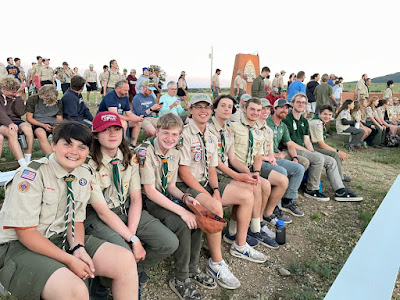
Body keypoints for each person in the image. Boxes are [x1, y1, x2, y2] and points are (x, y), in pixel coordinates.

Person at [0, 121, 139, 300]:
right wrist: (70, 259)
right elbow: (25, 233)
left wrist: (78, 247)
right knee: (75, 290)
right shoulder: (32, 175)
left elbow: (75, 220)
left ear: (89, 151)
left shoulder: (83, 173)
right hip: (19, 247)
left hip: (60, 238)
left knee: (125, 260)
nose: (74, 151)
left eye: (82, 146)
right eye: (67, 144)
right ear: (53, 145)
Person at [85, 111, 178, 292]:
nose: (112, 134)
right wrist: (133, 240)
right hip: (99, 215)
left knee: (169, 242)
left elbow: (136, 199)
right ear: (95, 135)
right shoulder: (88, 164)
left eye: (116, 129)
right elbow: (103, 211)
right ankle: (104, 283)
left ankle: (131, 272)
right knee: (125, 255)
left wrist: (131, 235)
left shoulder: (130, 157)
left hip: (126, 210)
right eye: (106, 130)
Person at [138, 113, 217, 299]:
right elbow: (150, 192)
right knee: (183, 223)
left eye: (175, 135)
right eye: (165, 133)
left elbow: (171, 187)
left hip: (164, 197)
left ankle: (192, 268)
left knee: (197, 216)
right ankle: (180, 278)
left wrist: (186, 198)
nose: (170, 138)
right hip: (146, 202)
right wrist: (182, 211)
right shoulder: (145, 151)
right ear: (156, 132)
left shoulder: (174, 153)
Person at [177, 93, 241, 290]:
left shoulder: (212, 136)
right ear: (191, 110)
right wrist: (206, 194)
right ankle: (216, 262)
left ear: (210, 110)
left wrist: (214, 189)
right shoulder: (185, 134)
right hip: (186, 186)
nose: (203, 110)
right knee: (214, 206)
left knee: (242, 194)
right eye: (198, 106)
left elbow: (212, 168)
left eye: (206, 106)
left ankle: (239, 241)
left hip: (206, 182)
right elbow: (184, 171)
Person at [210, 95, 276, 250]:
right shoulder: (219, 128)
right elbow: (215, 162)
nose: (227, 109)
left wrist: (248, 172)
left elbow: (231, 158)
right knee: (249, 188)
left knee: (254, 183)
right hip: (213, 175)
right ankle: (252, 230)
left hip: (227, 170)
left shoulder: (227, 129)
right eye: (223, 105)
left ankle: (237, 231)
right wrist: (239, 176)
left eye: (229, 106)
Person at [230, 97, 291, 238]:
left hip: (253, 166)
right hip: (236, 168)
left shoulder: (260, 130)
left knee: (276, 182)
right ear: (244, 109)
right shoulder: (233, 127)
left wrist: (256, 171)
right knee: (262, 185)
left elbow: (258, 154)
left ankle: (262, 218)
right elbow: (231, 157)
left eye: (259, 110)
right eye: (252, 109)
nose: (256, 113)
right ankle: (256, 227)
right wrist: (248, 172)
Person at [283, 93, 362, 202]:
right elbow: (289, 142)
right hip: (291, 149)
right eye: (298, 102)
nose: (301, 104)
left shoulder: (304, 121)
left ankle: (340, 190)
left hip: (302, 148)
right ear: (292, 103)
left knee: (331, 161)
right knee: (318, 158)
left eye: (303, 102)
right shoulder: (287, 119)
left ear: (306, 105)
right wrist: (309, 152)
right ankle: (312, 189)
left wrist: (311, 150)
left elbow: (306, 140)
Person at [259, 99, 304, 220]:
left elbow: (289, 143)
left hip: (271, 156)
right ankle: (274, 208)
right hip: (261, 159)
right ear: (275, 109)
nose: (285, 110)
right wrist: (272, 155)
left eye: (286, 108)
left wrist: (294, 157)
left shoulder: (282, 126)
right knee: (281, 171)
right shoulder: (265, 121)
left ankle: (287, 201)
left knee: (299, 168)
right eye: (281, 107)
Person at [309, 105, 351, 183]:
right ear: (319, 113)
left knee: (334, 152)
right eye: (325, 114)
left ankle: (339, 174)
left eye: (330, 115)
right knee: (335, 154)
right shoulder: (317, 123)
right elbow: (321, 144)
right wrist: (338, 151)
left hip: (314, 145)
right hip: (309, 147)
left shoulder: (320, 122)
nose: (327, 117)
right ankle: (339, 178)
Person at [0, 76, 34, 167]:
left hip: (14, 120)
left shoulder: (15, 96)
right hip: (2, 121)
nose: (14, 94)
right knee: (12, 132)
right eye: (12, 92)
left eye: (15, 91)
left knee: (28, 129)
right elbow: (1, 113)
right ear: (3, 89)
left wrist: (18, 97)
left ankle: (28, 160)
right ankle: (22, 164)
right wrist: (9, 123)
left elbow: (20, 112)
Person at [97, 80, 143, 146]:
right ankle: (123, 146)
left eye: (128, 90)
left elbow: (129, 112)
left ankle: (133, 145)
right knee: (123, 123)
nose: (127, 92)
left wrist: (137, 118)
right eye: (125, 90)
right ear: (118, 89)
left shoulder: (124, 97)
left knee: (137, 123)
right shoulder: (110, 96)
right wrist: (132, 119)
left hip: (117, 119)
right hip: (105, 119)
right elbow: (115, 115)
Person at [26, 85, 63, 155]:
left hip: (53, 123)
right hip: (38, 123)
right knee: (41, 134)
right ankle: (51, 158)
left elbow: (59, 118)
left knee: (60, 134)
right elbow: (29, 118)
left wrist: (56, 125)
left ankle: (61, 156)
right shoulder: (33, 99)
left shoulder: (58, 102)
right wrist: (43, 125)